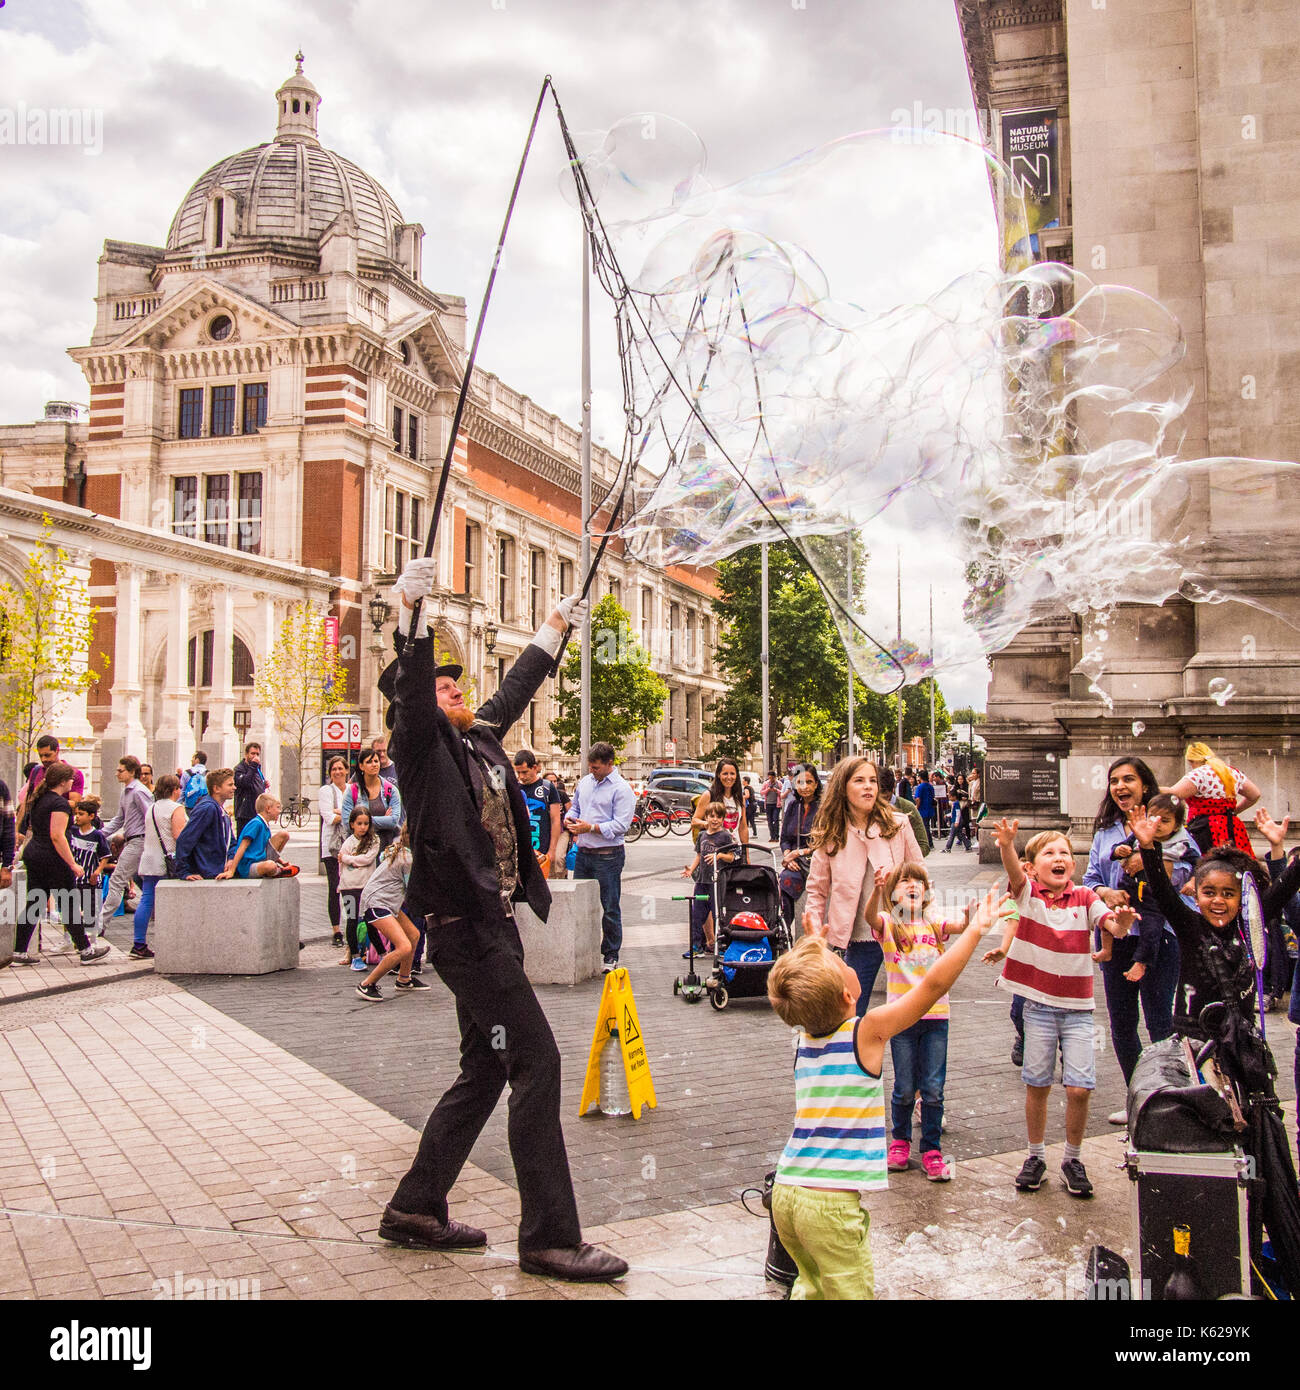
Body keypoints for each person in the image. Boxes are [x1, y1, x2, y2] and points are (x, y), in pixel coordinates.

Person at [377, 554, 625, 1281]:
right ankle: (549, 1237)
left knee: (485, 1066)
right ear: (414, 703)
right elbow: (418, 694)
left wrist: (553, 630)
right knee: (538, 1061)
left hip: (492, 928)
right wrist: (409, 619)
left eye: (456, 682)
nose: (455, 689)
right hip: (463, 933)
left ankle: (416, 1206)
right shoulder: (419, 748)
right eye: (439, 684)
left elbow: (514, 688)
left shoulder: (479, 737)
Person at [766, 888, 1001, 1299]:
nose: (847, 962)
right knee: (850, 1291)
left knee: (812, 1286)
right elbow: (932, 986)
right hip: (829, 1206)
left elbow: (795, 991)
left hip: (787, 1193)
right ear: (847, 994)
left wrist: (813, 945)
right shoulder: (866, 1032)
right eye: (840, 965)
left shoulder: (802, 1037)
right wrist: (975, 931)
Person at [984, 819, 1133, 1198]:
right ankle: (1035, 1156)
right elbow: (1014, 871)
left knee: (1080, 1088)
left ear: (1073, 863)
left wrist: (1121, 924)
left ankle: (1072, 1158)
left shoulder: (1085, 896)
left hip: (1078, 1009)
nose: (1059, 858)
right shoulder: (1028, 894)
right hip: (1038, 1008)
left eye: (1064, 852)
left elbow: (1109, 923)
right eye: (1049, 853)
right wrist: (1007, 845)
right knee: (1037, 1084)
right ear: (1033, 867)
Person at [1082, 756, 1186, 1120]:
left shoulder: (1169, 825)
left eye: (1128, 779)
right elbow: (1090, 877)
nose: (1120, 787)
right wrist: (1105, 893)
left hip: (1158, 938)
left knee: (1160, 1022)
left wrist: (1153, 859)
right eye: (1114, 781)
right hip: (1117, 933)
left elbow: (1188, 872)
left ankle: (1170, 1103)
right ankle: (1138, 1101)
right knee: (1122, 1024)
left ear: (1145, 785)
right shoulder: (1106, 831)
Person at [859, 862, 974, 1182]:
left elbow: (961, 928)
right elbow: (870, 917)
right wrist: (877, 891)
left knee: (934, 1089)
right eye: (904, 881)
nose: (912, 885)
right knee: (905, 1087)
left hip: (937, 1018)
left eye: (918, 881)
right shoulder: (890, 925)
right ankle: (899, 1142)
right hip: (901, 1021)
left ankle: (932, 1150)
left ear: (926, 891)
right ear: (894, 894)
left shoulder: (933, 923)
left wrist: (969, 918)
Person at [805, 757, 924, 1011]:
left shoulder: (898, 823)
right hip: (860, 937)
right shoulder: (831, 832)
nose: (868, 787)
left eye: (872, 781)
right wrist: (815, 935)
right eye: (859, 781)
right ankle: (854, 1051)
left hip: (901, 931)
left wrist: (927, 922)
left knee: (908, 1012)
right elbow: (816, 890)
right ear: (842, 787)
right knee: (851, 1011)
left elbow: (920, 873)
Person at [11, 762, 111, 965]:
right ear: (64, 781)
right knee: (69, 903)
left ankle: (19, 951)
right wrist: (73, 863)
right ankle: (85, 950)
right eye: (71, 779)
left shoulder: (39, 799)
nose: (73, 782)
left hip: (35, 854)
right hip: (52, 858)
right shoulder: (59, 804)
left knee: (35, 903)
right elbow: (57, 836)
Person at [569, 741, 638, 972]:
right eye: (590, 766)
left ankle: (610, 954)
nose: (592, 771)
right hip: (583, 854)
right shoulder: (585, 783)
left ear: (610, 764)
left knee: (609, 906)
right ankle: (581, 950)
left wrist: (591, 828)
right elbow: (576, 808)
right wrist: (570, 819)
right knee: (579, 904)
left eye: (596, 767)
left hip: (608, 856)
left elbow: (621, 825)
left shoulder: (621, 789)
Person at [353, 826, 425, 1000]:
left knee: (413, 935)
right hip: (378, 903)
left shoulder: (399, 848)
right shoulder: (407, 859)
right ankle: (366, 984)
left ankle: (404, 979)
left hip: (389, 901)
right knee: (404, 946)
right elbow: (412, 890)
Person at [1164, 741, 1261, 856]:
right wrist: (1234, 811)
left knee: (1207, 864)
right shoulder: (1230, 772)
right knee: (1237, 861)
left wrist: (1149, 786)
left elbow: (1174, 793)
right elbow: (1255, 794)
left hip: (1205, 828)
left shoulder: (1199, 774)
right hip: (1232, 826)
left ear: (1192, 760)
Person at [132, 774, 187, 960]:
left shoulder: (152, 808)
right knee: (170, 904)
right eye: (179, 788)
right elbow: (179, 836)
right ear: (175, 790)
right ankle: (169, 943)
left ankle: (138, 943)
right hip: (167, 861)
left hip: (149, 859)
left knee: (146, 900)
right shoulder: (176, 808)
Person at [96, 755, 153, 934]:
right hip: (134, 840)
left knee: (117, 880)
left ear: (131, 772)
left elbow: (151, 816)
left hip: (139, 840)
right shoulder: (127, 792)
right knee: (144, 881)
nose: (116, 774)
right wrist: (98, 834)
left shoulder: (138, 791)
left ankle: (100, 925)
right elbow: (119, 819)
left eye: (120, 770)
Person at [680, 801, 739, 954]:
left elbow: (732, 857)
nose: (714, 820)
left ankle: (722, 946)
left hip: (717, 881)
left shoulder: (725, 836)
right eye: (711, 816)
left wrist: (719, 855)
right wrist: (691, 869)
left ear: (723, 819)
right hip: (702, 880)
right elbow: (699, 855)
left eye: (718, 817)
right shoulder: (702, 835)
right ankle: (696, 946)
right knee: (697, 914)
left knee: (719, 915)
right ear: (706, 817)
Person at [778, 764, 822, 929]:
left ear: (816, 784)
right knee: (783, 884)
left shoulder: (824, 807)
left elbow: (825, 842)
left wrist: (796, 853)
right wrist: (788, 856)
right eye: (800, 782)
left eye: (809, 782)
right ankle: (783, 932)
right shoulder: (793, 806)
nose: (805, 787)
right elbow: (784, 839)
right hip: (795, 865)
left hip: (817, 863)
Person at [338, 806, 381, 969]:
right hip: (349, 887)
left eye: (366, 823)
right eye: (359, 823)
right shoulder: (348, 842)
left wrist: (349, 859)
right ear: (352, 825)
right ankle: (355, 955)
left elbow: (367, 859)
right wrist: (350, 860)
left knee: (372, 920)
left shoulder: (374, 840)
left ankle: (380, 953)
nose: (363, 827)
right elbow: (341, 863)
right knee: (352, 919)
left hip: (367, 886)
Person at [173, 768, 236, 880]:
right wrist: (184, 872)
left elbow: (231, 841)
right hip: (206, 874)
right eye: (230, 785)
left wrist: (231, 858)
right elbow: (185, 840)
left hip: (217, 873)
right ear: (216, 788)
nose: (234, 788)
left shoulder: (221, 810)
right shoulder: (207, 808)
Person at [68, 796, 113, 950]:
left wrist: (97, 872)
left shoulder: (97, 835)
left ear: (91, 816)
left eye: (81, 814)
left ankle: (92, 940)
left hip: (91, 881)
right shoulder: (73, 831)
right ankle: (69, 940)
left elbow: (105, 856)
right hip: (74, 880)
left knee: (91, 911)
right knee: (70, 911)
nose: (77, 817)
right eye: (76, 813)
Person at [220, 793, 297, 880]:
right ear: (268, 808)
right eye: (278, 807)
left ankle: (274, 868)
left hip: (260, 860)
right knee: (270, 865)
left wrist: (282, 862)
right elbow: (242, 847)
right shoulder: (256, 823)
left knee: (284, 834)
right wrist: (232, 870)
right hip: (248, 866)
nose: (280, 811)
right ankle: (277, 871)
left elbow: (266, 847)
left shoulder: (264, 825)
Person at [513, 748, 563, 877]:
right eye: (518, 772)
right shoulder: (515, 788)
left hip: (543, 850)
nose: (521, 777)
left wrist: (552, 850)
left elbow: (556, 820)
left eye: (525, 772)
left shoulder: (547, 787)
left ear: (534, 768)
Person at [342, 747, 403, 851]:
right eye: (369, 762)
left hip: (386, 848)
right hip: (359, 849)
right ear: (361, 766)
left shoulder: (391, 790)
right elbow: (347, 823)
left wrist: (361, 821)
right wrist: (383, 819)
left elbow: (393, 821)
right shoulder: (352, 791)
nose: (374, 764)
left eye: (376, 761)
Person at [319, 755, 350, 948]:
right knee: (334, 887)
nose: (337, 772)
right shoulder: (325, 790)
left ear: (347, 770)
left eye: (340, 768)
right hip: (331, 847)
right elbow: (328, 817)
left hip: (350, 846)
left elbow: (361, 814)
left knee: (351, 887)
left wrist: (341, 812)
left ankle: (352, 926)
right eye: (333, 769)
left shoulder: (352, 789)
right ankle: (336, 930)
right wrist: (347, 814)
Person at [18, 736, 85, 818]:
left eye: (47, 755)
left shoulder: (74, 774)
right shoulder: (36, 771)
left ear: (57, 751)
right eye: (40, 755)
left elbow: (74, 805)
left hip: (61, 824)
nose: (43, 759)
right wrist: (18, 826)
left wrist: (47, 803)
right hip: (34, 826)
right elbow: (26, 801)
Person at [690, 757, 750, 847]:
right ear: (718, 775)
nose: (729, 777)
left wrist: (746, 854)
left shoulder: (740, 798)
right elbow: (694, 821)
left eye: (732, 774)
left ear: (737, 776)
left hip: (733, 850)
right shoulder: (709, 795)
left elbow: (743, 827)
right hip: (713, 850)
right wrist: (707, 824)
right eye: (725, 774)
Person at [879, 766, 930, 856]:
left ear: (893, 788)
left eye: (886, 797)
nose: (882, 802)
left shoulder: (907, 808)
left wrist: (902, 859)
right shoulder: (865, 808)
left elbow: (924, 846)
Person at [232, 742, 268, 835]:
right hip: (244, 813)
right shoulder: (239, 769)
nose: (255, 756)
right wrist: (253, 766)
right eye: (252, 753)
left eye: (257, 754)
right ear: (246, 754)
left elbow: (255, 787)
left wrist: (263, 784)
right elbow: (245, 782)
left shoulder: (257, 769)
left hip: (256, 812)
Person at [942, 776, 971, 853]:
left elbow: (958, 813)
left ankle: (948, 848)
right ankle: (968, 845)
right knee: (960, 834)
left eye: (950, 797)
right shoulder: (955, 803)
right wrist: (948, 815)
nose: (949, 798)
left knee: (952, 835)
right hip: (955, 821)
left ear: (954, 797)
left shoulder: (956, 803)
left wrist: (956, 822)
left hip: (956, 821)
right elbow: (953, 812)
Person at [912, 769, 936, 837]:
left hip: (922, 809)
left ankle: (929, 842)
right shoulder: (930, 786)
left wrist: (917, 806)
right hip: (930, 808)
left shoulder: (920, 787)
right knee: (927, 826)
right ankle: (930, 842)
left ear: (920, 777)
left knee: (924, 827)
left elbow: (918, 798)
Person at [762, 770, 781, 842]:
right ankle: (772, 836)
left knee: (775, 820)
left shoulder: (779, 783)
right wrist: (768, 789)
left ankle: (776, 836)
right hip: (768, 804)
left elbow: (782, 793)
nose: (771, 779)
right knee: (769, 821)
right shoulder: (766, 783)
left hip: (776, 804)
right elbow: (762, 792)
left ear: (774, 777)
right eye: (769, 778)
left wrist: (776, 790)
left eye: (772, 778)